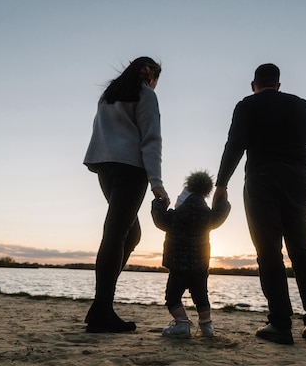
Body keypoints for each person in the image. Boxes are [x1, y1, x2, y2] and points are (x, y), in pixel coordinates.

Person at [213, 63, 306, 345]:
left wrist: (221, 184)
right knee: (303, 253)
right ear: (278, 84)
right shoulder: (300, 105)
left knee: (269, 253)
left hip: (261, 182)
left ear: (254, 84)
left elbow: (234, 145)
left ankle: (280, 325)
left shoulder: (247, 105)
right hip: (298, 184)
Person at [83, 56, 170, 333]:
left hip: (106, 167)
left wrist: (99, 162)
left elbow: (100, 132)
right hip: (131, 168)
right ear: (150, 75)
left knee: (129, 235)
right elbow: (151, 139)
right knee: (117, 234)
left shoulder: (109, 95)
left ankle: (101, 306)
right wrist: (156, 182)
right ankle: (102, 309)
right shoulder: (145, 94)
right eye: (156, 78)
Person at [151, 170, 231, 338]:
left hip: (177, 266)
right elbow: (221, 212)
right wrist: (223, 200)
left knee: (172, 297)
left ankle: (182, 323)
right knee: (201, 297)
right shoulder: (208, 217)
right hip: (199, 267)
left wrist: (160, 203)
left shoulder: (174, 217)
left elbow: (159, 218)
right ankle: (207, 327)